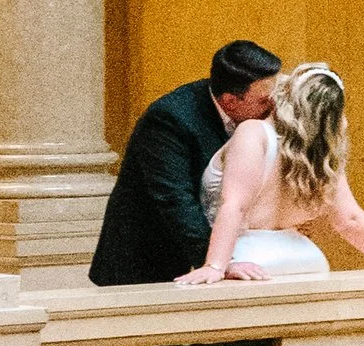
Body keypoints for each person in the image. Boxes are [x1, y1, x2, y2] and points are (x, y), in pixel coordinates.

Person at [179, 60, 364, 285]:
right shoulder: (323, 155)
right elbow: (349, 219)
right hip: (306, 259)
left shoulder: (253, 133)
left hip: (246, 261)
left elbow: (234, 205)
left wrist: (215, 265)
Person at [88, 41, 282, 286]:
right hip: (147, 261)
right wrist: (217, 263)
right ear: (231, 101)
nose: (272, 107)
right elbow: (175, 198)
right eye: (264, 100)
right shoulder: (170, 119)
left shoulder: (253, 116)